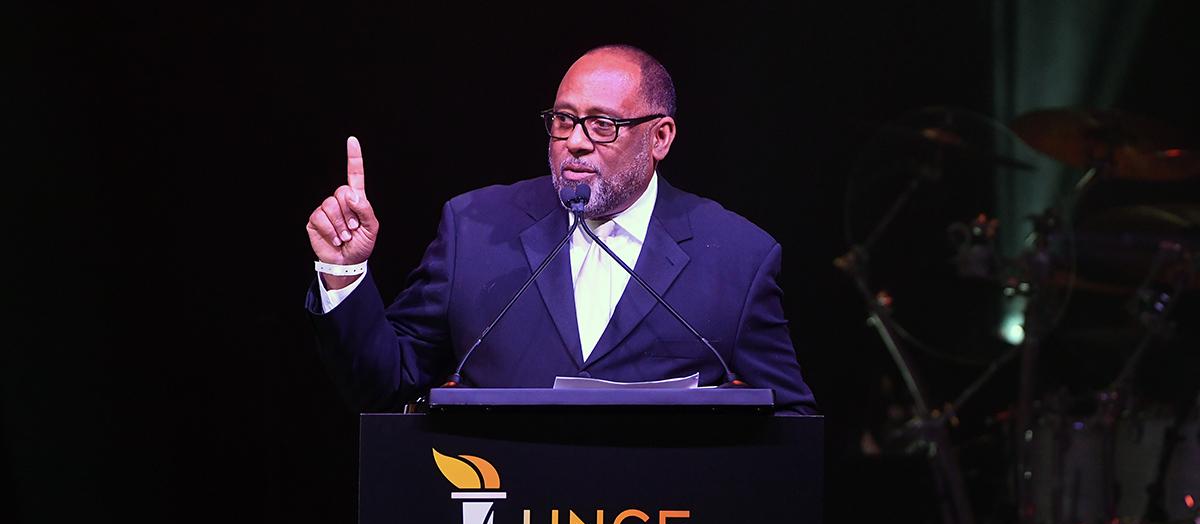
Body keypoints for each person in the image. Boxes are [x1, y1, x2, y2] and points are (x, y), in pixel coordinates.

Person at [304, 45, 818, 414]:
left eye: (602, 125)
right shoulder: (475, 230)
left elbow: (791, 427)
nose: (574, 141)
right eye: (564, 120)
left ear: (659, 137)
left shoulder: (736, 255)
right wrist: (342, 273)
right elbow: (386, 387)